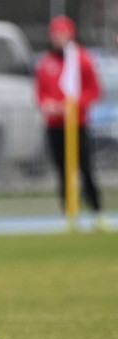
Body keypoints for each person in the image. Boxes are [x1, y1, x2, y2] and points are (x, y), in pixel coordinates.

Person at [34, 15, 102, 217]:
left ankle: (96, 210)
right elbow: (41, 91)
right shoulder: (46, 62)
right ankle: (68, 210)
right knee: (61, 170)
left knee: (85, 168)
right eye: (56, 34)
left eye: (63, 34)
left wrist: (72, 106)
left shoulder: (82, 59)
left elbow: (94, 90)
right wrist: (49, 105)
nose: (59, 38)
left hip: (77, 124)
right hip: (54, 125)